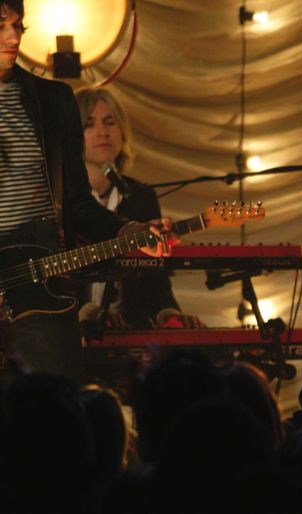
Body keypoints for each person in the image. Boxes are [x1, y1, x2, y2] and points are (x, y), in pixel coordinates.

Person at [0, 0, 173, 385]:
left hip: (42, 297)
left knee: (52, 418)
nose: (13, 37)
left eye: (19, 25)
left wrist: (127, 231)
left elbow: (78, 204)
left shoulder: (53, 101)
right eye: (1, 25)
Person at [75, 88, 202, 330]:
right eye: (89, 124)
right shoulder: (60, 197)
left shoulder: (140, 196)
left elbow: (155, 277)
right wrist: (88, 313)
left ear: (122, 131)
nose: (102, 132)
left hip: (130, 332)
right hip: (69, 334)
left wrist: (169, 315)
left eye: (110, 122)